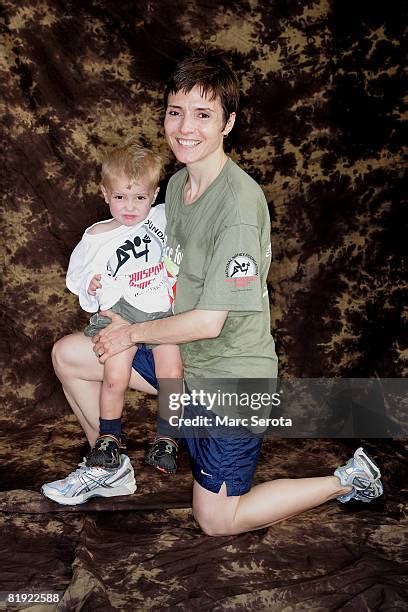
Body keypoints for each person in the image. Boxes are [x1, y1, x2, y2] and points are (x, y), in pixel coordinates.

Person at [42, 52, 383, 529]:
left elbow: (209, 322)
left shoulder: (239, 206)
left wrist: (133, 334)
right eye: (175, 112)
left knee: (217, 521)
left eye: (203, 115)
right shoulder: (178, 185)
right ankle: (111, 467)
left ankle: (346, 480)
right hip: (181, 360)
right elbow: (155, 271)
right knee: (72, 355)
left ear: (228, 124)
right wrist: (115, 306)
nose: (185, 127)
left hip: (230, 381)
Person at [42, 140, 183, 505]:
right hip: (125, 329)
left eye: (139, 198)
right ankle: (108, 459)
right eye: (121, 198)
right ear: (105, 194)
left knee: (173, 374)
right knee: (82, 360)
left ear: (154, 194)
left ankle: (167, 438)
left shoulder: (165, 216)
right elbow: (87, 296)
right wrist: (91, 292)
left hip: (169, 330)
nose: (131, 207)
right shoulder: (95, 239)